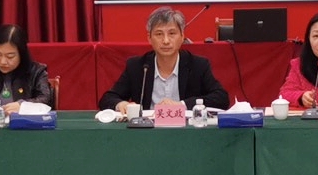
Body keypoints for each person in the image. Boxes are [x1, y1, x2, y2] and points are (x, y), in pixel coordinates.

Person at [99, 8, 232, 114]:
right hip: (148, 133)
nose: (166, 41)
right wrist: (121, 104)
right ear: (149, 38)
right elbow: (107, 99)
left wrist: (182, 105)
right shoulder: (138, 66)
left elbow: (221, 98)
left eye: (172, 33)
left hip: (186, 132)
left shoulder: (198, 65)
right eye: (159, 34)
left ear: (182, 36)